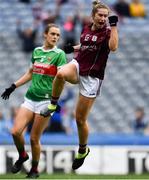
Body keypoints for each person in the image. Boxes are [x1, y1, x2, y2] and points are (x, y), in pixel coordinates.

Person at [40, 0, 119, 170]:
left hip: (92, 77)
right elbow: (87, 44)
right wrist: (73, 48)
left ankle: (82, 150)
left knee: (80, 119)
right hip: (78, 65)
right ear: (93, 16)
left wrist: (113, 26)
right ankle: (53, 105)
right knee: (60, 73)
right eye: (100, 15)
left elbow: (113, 47)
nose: (103, 18)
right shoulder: (86, 27)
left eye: (105, 16)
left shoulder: (107, 32)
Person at [1, 23, 66, 178]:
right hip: (30, 98)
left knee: (34, 138)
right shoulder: (36, 51)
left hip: (46, 101)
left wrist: (55, 102)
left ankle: (35, 169)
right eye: (52, 34)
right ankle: (23, 155)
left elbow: (62, 79)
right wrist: (13, 86)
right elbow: (30, 73)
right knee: (15, 132)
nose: (55, 37)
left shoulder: (59, 55)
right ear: (45, 34)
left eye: (58, 35)